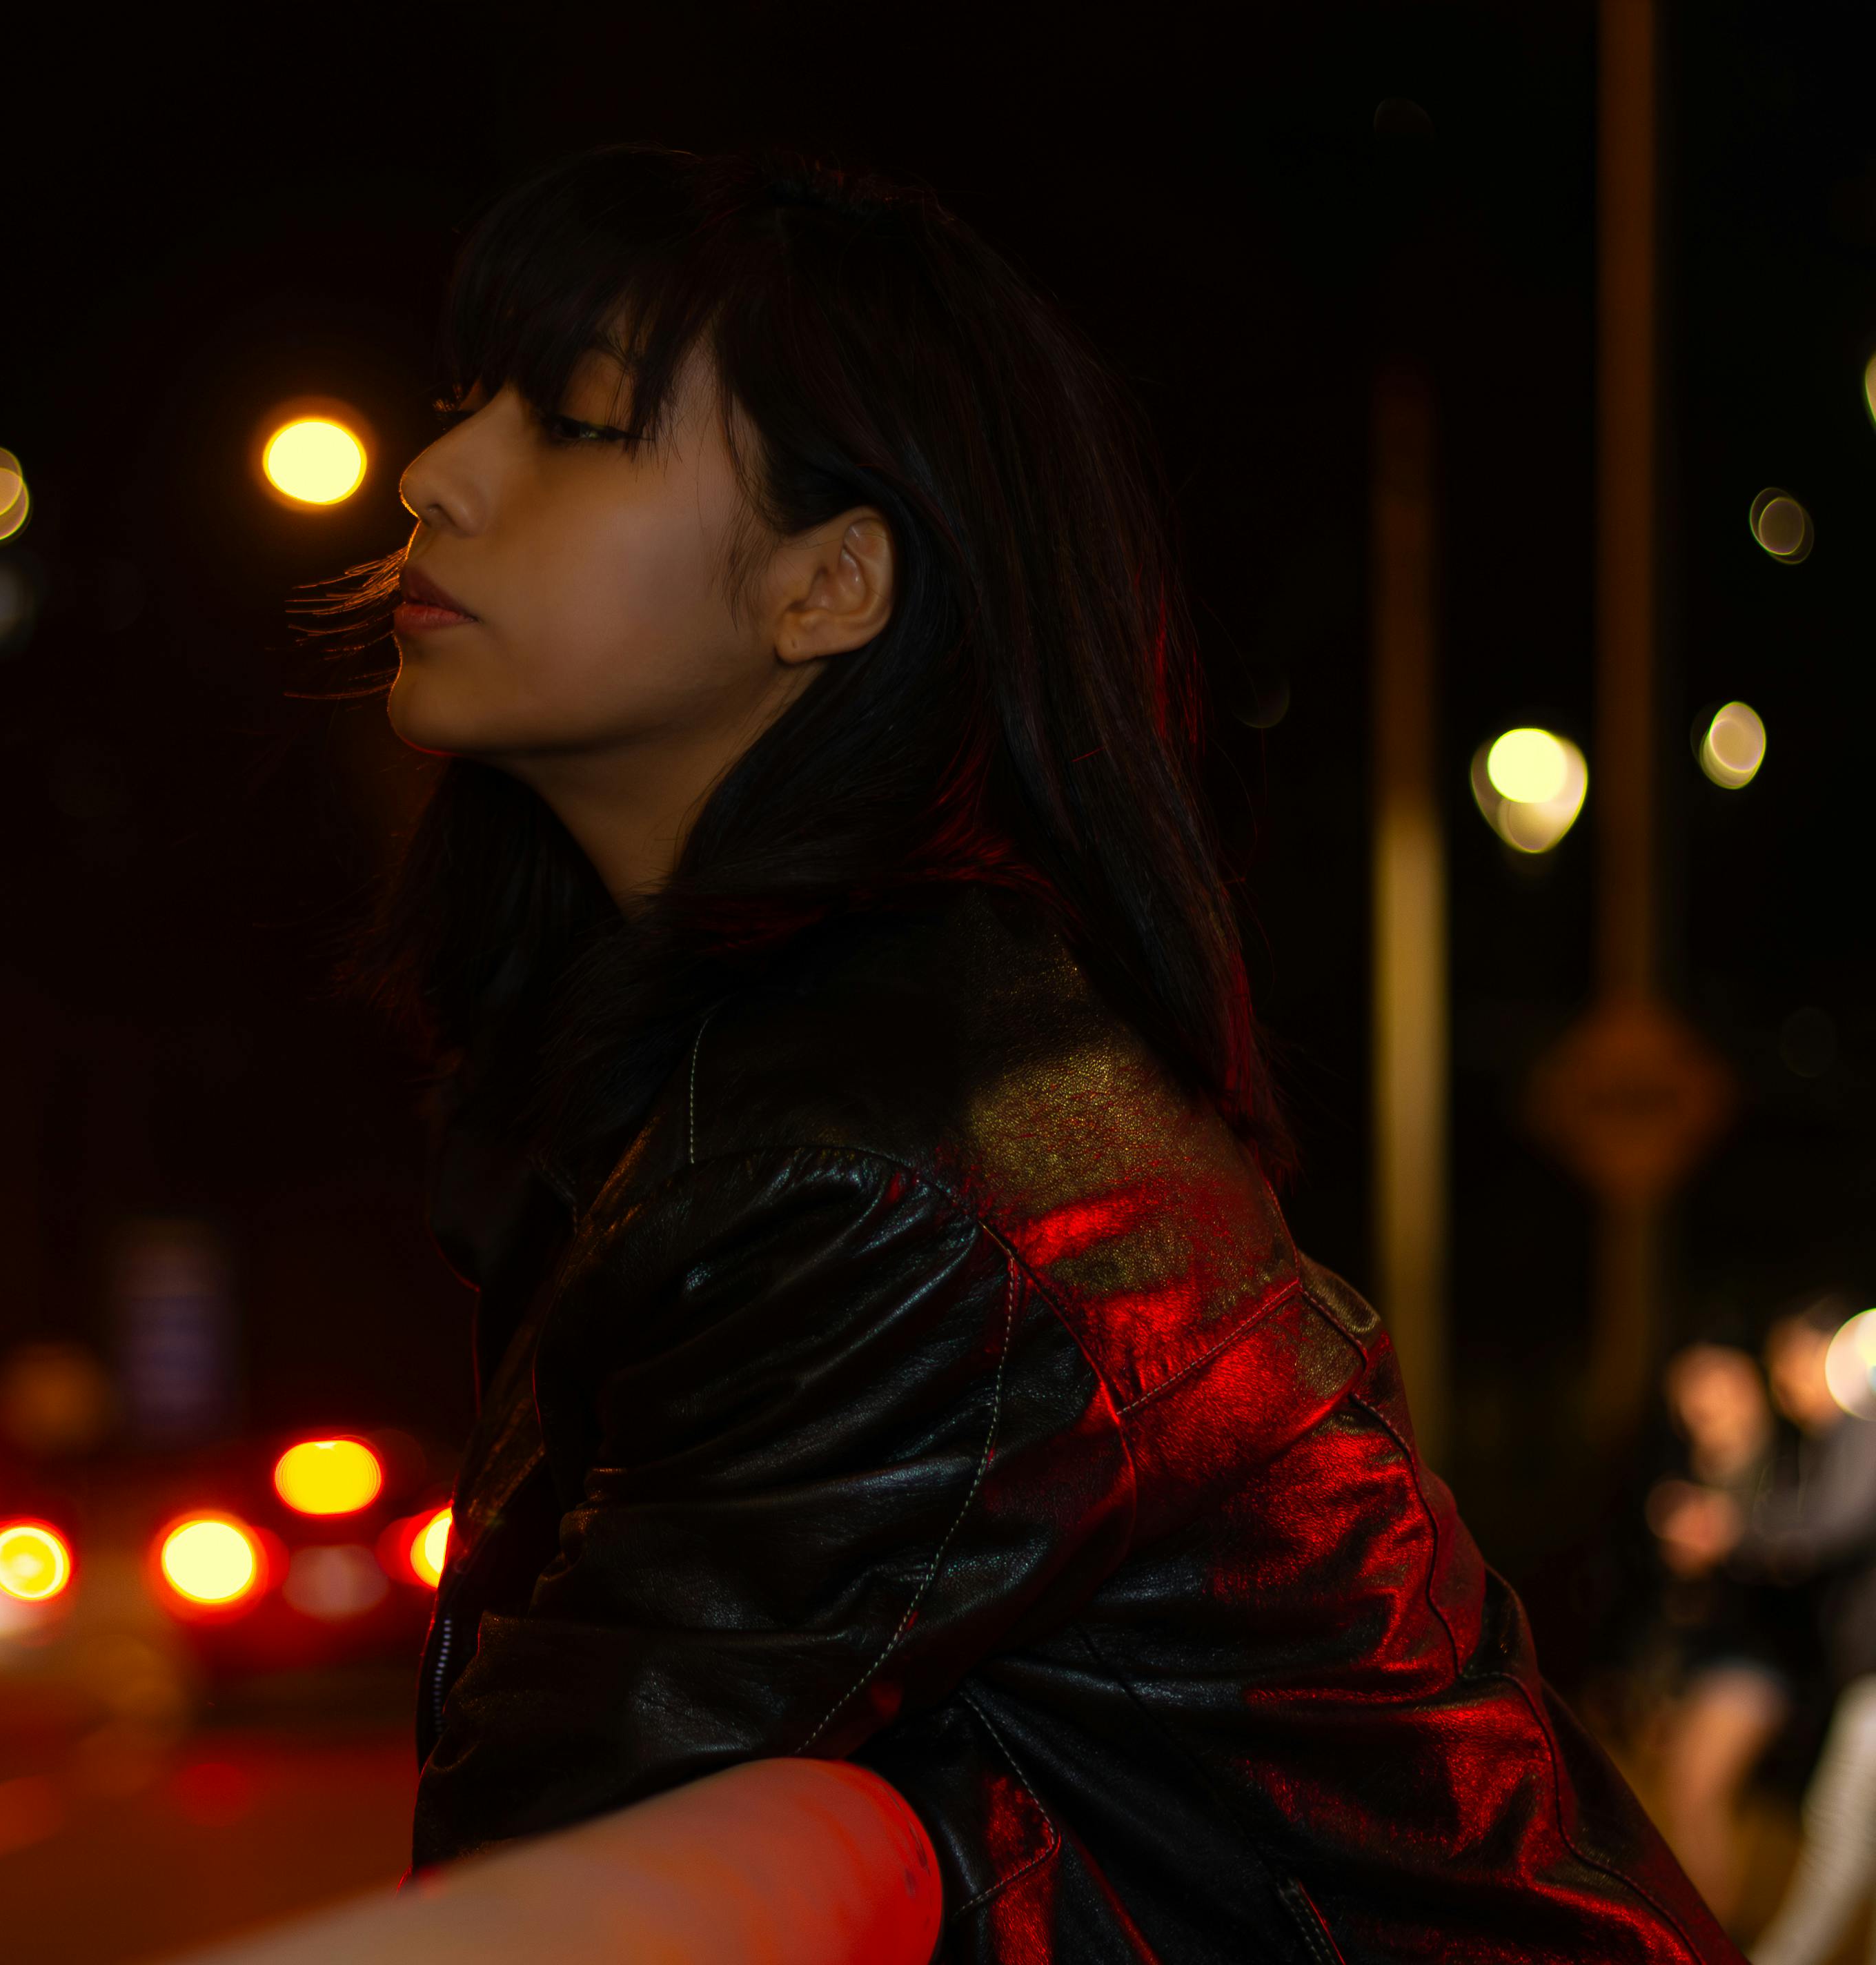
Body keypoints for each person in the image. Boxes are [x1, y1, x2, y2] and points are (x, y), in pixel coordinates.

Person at [368, 146, 1730, 1959]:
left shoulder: (875, 1179)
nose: (434, 476)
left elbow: (538, 1881)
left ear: (832, 584)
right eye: (464, 404)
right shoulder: (817, 1074)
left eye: (573, 426)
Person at [1656, 1300, 1876, 1964]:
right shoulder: (1804, 1444)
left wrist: (1728, 1534)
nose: (1787, 1381)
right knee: (1838, 1831)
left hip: (1775, 1662)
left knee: (1829, 1827)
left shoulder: (1846, 1433)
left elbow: (1823, 1532)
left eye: (1791, 1363)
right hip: (1815, 1667)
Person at [1646, 1341, 1800, 1926]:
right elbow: (1680, 1596)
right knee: (1684, 1798)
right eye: (1689, 1391)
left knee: (1696, 1791)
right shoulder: (1694, 1471)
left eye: (1716, 1385)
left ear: (1750, 1388)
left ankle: (1713, 1938)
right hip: (1708, 1656)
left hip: (1769, 1656)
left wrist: (1726, 1535)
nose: (1702, 1403)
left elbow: (1802, 1549)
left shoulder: (1790, 1464)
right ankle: (1715, 1928)